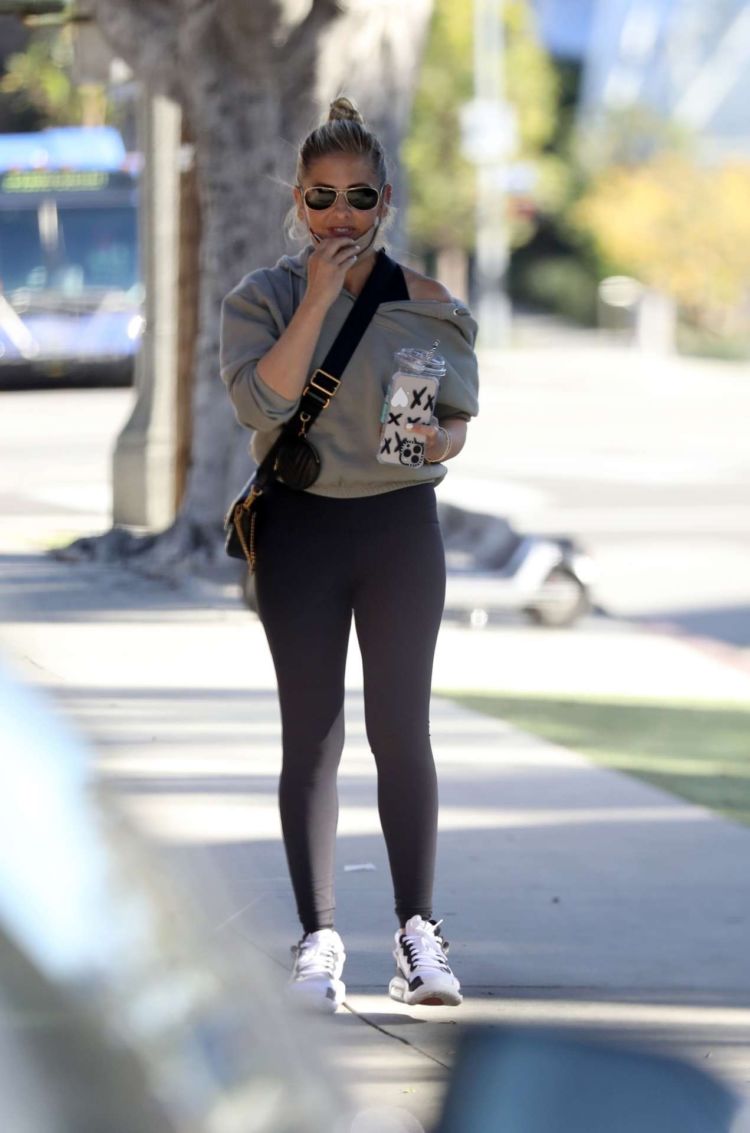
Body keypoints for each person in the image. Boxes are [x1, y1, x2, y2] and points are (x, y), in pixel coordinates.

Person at [220, 97, 479, 1014]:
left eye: (359, 197)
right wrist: (322, 297)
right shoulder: (261, 297)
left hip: (399, 527)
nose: (341, 215)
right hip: (300, 529)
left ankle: (417, 935)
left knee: (401, 731)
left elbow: (453, 425)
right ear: (298, 199)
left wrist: (435, 443)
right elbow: (261, 406)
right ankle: (318, 940)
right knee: (313, 736)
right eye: (322, 197)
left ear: (386, 200)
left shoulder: (434, 304)